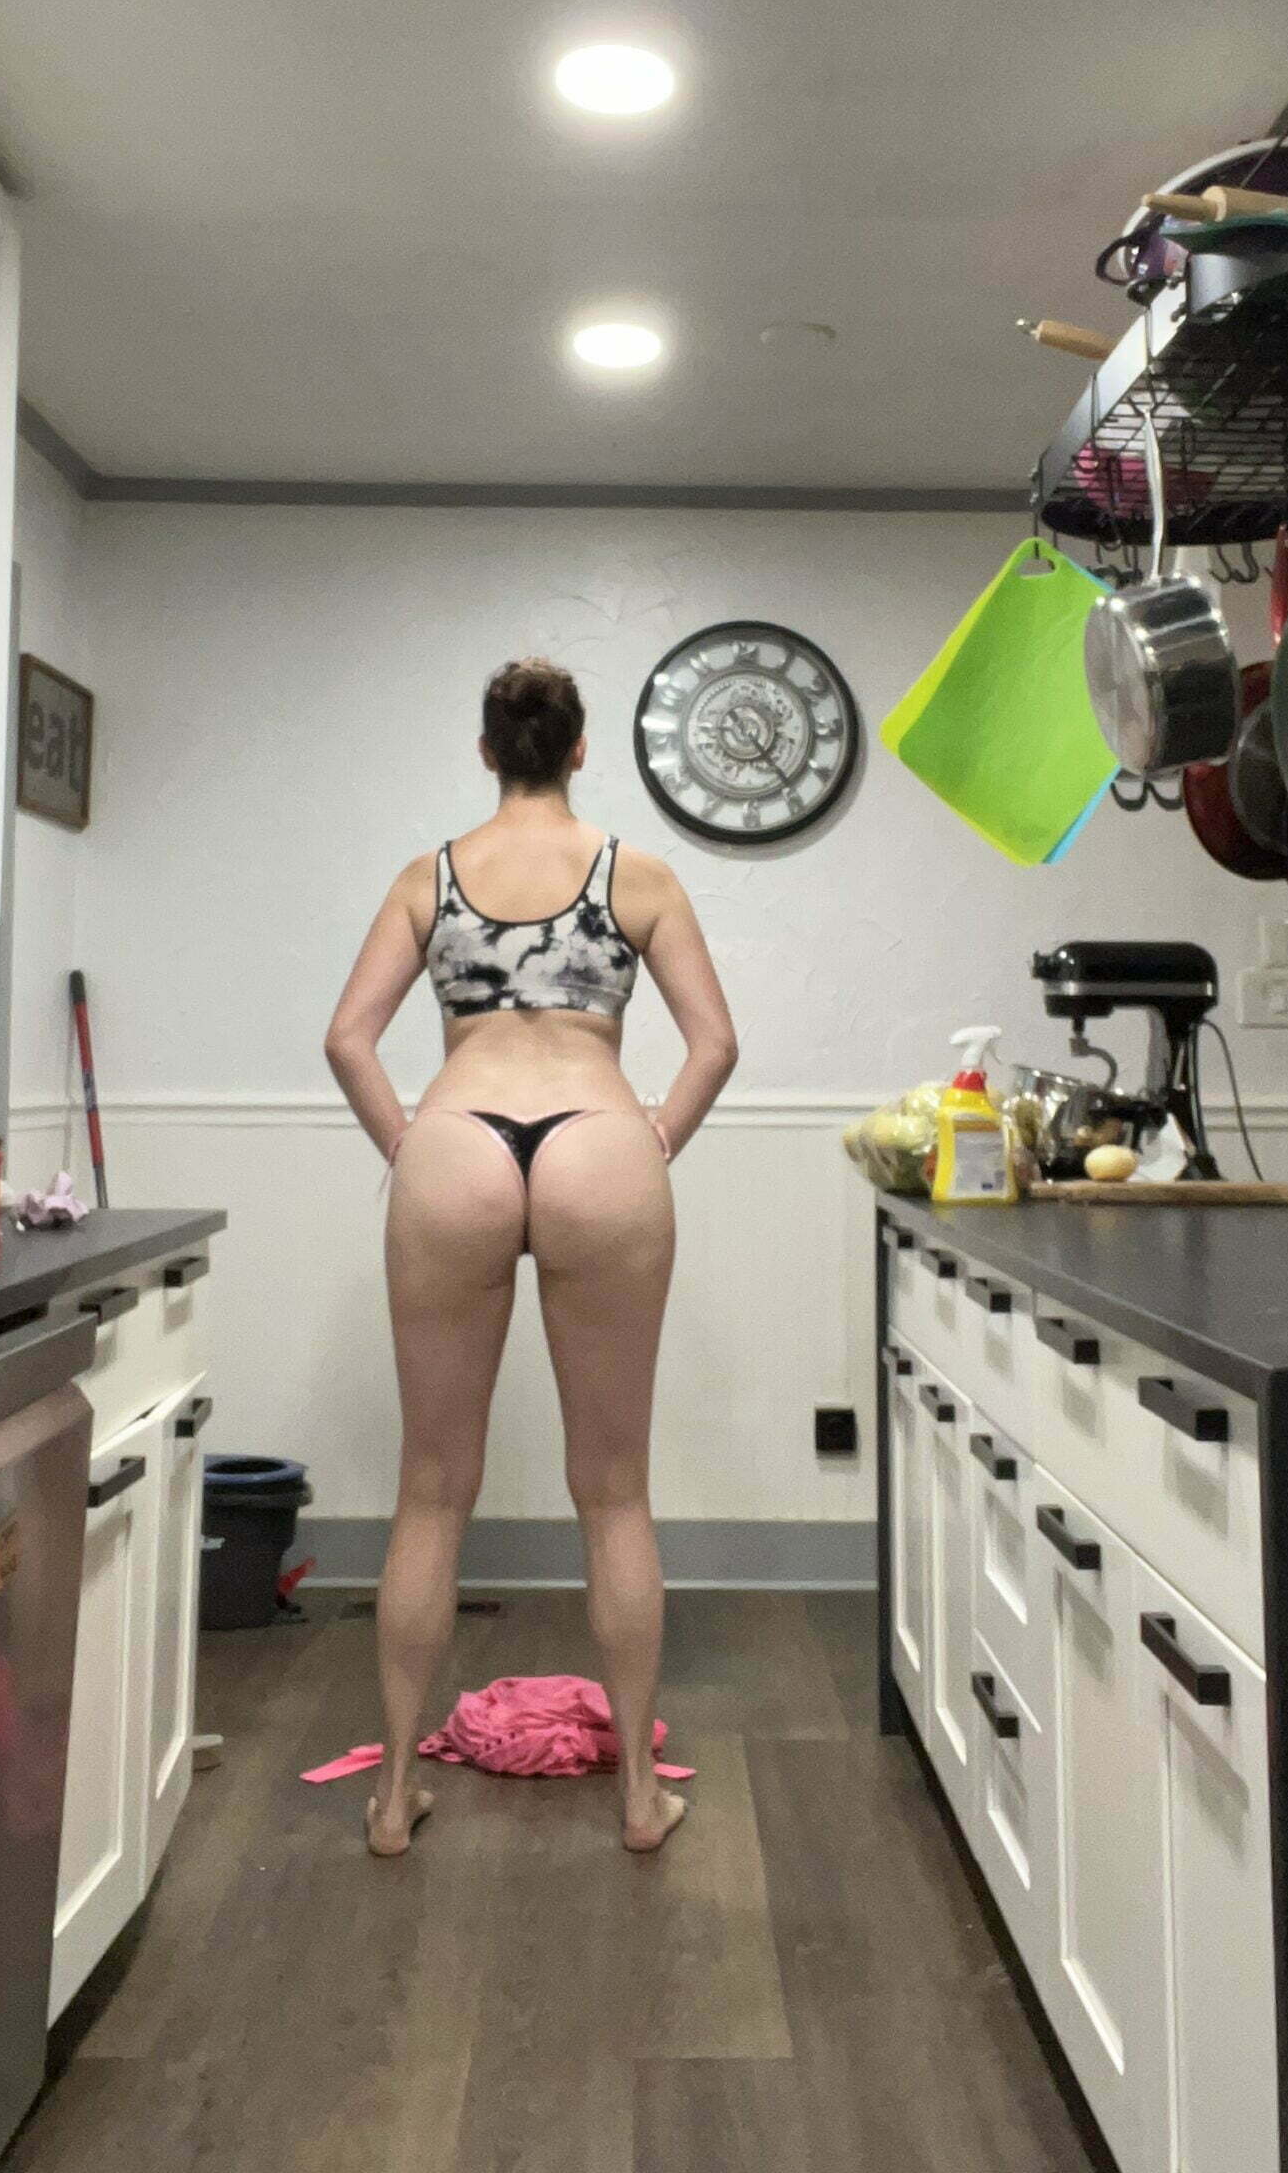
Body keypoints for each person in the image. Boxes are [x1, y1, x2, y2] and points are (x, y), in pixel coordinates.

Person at [325, 658, 738, 1855]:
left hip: (456, 1140)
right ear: (580, 748)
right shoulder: (635, 874)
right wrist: (652, 1136)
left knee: (429, 1489)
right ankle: (639, 1798)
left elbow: (348, 1037)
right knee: (614, 1492)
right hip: (600, 1140)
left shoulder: (430, 876)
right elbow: (714, 1041)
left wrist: (409, 1142)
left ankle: (394, 1797)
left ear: (487, 751)